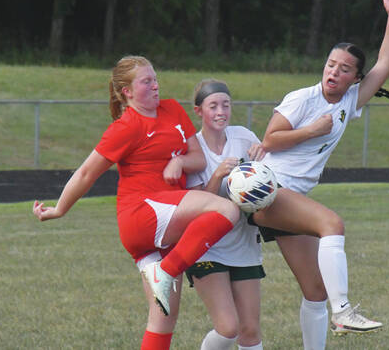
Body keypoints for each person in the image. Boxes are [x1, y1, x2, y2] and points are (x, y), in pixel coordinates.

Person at [244, 0, 389, 350]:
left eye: (344, 68)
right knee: (332, 224)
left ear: (355, 77)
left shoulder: (349, 100)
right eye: (330, 64)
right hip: (270, 189)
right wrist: (311, 130)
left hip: (290, 196)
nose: (334, 72)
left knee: (314, 290)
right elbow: (270, 140)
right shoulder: (303, 99)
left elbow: (385, 64)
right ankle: (344, 311)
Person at [32, 56, 241, 350]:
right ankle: (165, 271)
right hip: (142, 214)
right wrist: (60, 209)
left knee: (162, 319)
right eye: (146, 81)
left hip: (168, 222)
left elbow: (199, 159)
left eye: (155, 79)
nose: (156, 85)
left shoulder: (171, 109)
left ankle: (163, 272)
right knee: (227, 208)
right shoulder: (126, 126)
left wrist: (179, 161)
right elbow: (86, 172)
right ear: (127, 92)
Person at [185, 79, 266, 350]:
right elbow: (195, 206)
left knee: (250, 329)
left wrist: (262, 160)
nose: (221, 112)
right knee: (228, 328)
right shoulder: (192, 148)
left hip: (244, 244)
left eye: (226, 105)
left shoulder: (244, 137)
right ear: (199, 111)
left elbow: (267, 180)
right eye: (213, 106)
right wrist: (218, 174)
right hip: (207, 248)